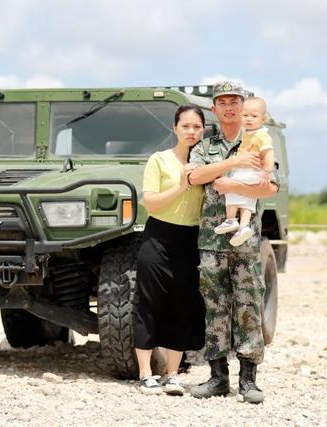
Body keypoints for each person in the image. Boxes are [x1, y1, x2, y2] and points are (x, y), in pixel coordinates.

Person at [187, 82, 279, 404]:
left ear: (243, 107)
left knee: (248, 306)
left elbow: (271, 187)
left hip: (245, 240)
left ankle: (249, 381)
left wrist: (235, 184)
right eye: (222, 102)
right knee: (214, 307)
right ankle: (217, 378)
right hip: (212, 239)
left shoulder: (257, 141)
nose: (229, 107)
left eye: (234, 102)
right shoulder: (205, 146)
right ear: (214, 108)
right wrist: (231, 165)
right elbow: (194, 177)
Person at [133, 104, 206, 396]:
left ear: (203, 130)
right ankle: (145, 373)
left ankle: (173, 374)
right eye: (185, 126)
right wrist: (182, 184)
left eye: (197, 126)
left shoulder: (206, 163)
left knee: (183, 303)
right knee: (148, 302)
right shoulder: (159, 160)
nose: (191, 131)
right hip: (158, 236)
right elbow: (150, 203)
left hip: (190, 237)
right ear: (174, 128)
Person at [213, 97, 274, 246]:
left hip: (251, 171)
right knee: (247, 200)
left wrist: (267, 171)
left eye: (254, 116)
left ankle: (231, 219)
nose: (249, 119)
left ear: (263, 118)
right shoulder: (248, 133)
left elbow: (269, 153)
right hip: (249, 171)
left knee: (230, 188)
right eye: (246, 115)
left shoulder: (261, 135)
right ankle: (243, 226)